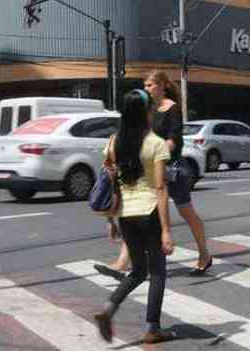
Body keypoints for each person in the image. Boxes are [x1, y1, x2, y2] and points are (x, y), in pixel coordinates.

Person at [95, 70, 212, 279]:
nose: (147, 89)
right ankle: (121, 263)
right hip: (150, 168)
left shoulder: (172, 109)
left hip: (172, 168)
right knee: (138, 211)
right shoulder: (146, 109)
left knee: (187, 212)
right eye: (145, 85)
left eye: (150, 85)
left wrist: (155, 151)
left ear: (163, 86)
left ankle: (204, 254)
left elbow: (173, 139)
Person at [93, 90, 175, 344]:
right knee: (158, 272)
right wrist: (166, 231)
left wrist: (111, 220)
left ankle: (108, 309)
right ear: (146, 113)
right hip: (149, 212)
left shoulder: (113, 142)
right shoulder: (156, 143)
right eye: (151, 109)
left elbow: (109, 183)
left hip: (126, 215)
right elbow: (160, 188)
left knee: (138, 271)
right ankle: (153, 328)